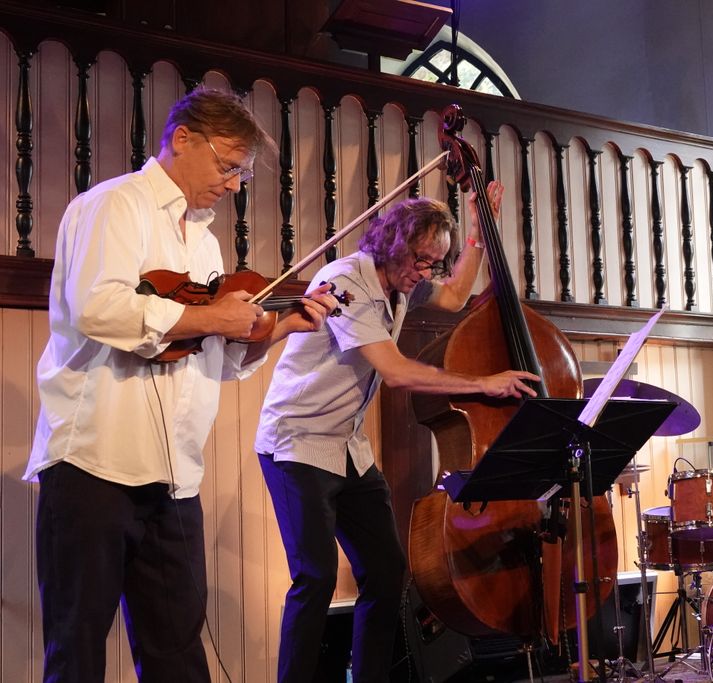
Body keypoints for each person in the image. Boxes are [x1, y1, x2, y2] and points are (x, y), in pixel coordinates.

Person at [25, 87, 340, 682]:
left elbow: (207, 358)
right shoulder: (115, 204)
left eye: (243, 173)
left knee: (178, 654)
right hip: (95, 463)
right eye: (229, 166)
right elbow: (98, 308)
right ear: (183, 139)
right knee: (77, 651)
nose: (235, 184)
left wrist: (278, 329)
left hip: (174, 476)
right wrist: (210, 317)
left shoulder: (205, 240)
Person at [255, 188, 540, 683]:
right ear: (392, 243)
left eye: (433, 263)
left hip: (347, 448)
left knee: (386, 572)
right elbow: (396, 372)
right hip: (296, 444)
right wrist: (483, 383)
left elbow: (454, 295)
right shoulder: (345, 280)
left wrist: (479, 231)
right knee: (315, 578)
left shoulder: (402, 285)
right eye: (420, 259)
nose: (425, 272)